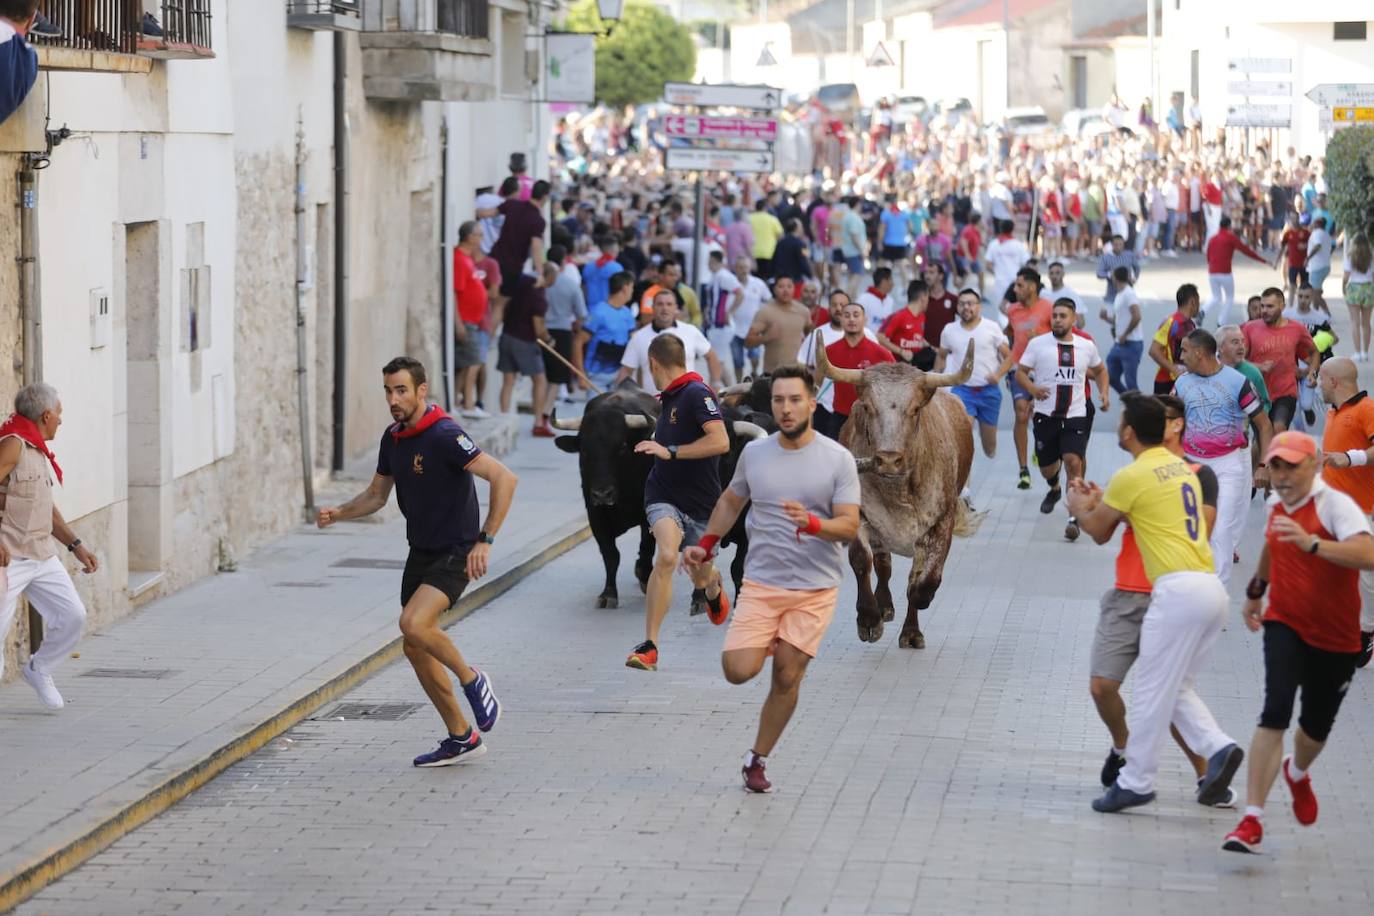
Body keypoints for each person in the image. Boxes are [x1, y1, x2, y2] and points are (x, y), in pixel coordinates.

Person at [317, 357, 517, 766]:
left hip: (456, 551)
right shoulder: (393, 439)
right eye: (388, 391)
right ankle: (461, 736)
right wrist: (339, 512)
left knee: (413, 624)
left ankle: (473, 679)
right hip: (421, 551)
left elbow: (504, 478)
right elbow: (376, 496)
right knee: (415, 645)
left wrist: (486, 541)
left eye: (401, 390)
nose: (393, 399)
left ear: (421, 391)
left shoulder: (445, 434)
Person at [683, 366, 861, 793]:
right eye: (779, 400)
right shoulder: (756, 454)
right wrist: (706, 545)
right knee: (737, 670)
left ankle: (757, 759)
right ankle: (734, 605)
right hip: (762, 583)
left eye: (794, 399)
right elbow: (731, 499)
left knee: (785, 675)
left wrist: (815, 524)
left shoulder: (837, 459)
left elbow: (850, 526)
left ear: (812, 404)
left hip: (814, 588)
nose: (785, 408)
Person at [1067, 393, 1243, 814]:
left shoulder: (1135, 473)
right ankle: (1218, 749)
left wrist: (1077, 508)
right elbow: (1147, 508)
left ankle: (1136, 782)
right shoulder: (1180, 469)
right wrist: (1105, 499)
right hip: (1209, 589)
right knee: (1175, 687)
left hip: (1176, 591)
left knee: (1151, 692)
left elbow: (1097, 529)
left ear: (1127, 431)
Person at [1223, 431, 1374, 853]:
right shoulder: (1276, 503)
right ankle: (1251, 820)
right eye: (1275, 465)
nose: (1283, 474)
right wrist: (1256, 591)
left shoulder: (1337, 507)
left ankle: (1298, 772)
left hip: (1337, 637)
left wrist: (1313, 544)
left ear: (1315, 466)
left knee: (1314, 731)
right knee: (1274, 711)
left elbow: (1368, 555)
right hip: (1284, 622)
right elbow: (1275, 542)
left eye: (1291, 465)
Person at [624, 334, 731, 671]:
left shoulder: (697, 394)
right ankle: (649, 646)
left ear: (652, 363)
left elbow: (721, 441)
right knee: (667, 556)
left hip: (702, 504)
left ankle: (713, 584)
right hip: (663, 495)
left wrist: (668, 451)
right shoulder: (669, 398)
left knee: (699, 579)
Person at [0, 384, 96, 710]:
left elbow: (44, 508)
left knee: (73, 615)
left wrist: (76, 545)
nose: (60, 421)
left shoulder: (38, 450)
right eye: (59, 414)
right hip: (8, 557)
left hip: (42, 554)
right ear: (45, 415)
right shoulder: (13, 445)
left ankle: (39, 669)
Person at [1173, 329, 1273, 585]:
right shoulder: (1182, 383)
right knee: (1191, 528)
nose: (1180, 355)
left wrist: (1263, 465)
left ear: (1199, 353)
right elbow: (1167, 421)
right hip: (1191, 464)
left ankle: (1216, 591)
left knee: (1221, 530)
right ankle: (1192, 583)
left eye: (1184, 350)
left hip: (1228, 466)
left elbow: (1263, 424)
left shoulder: (1237, 382)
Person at [1014, 298, 1109, 540]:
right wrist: (1034, 390)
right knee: (1047, 468)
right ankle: (1054, 487)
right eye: (1054, 315)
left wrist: (1104, 392)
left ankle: (1073, 518)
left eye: (1062, 316)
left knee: (1073, 461)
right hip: (1046, 416)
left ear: (1073, 319)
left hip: (1076, 414)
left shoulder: (1085, 345)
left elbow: (1100, 370)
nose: (1057, 319)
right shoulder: (1037, 344)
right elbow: (1020, 373)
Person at [1316, 357, 1374, 668]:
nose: (1317, 384)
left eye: (1321, 379)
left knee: (1365, 575)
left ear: (1335, 382)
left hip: (1361, 509)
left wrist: (1350, 458)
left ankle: (1366, 631)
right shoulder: (1332, 411)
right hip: (1331, 506)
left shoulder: (1367, 409)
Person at [938, 288, 1013, 458]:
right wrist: (936, 380)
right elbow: (941, 357)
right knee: (962, 439)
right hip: (962, 391)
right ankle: (965, 484)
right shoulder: (949, 330)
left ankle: (986, 441)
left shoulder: (991, 327)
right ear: (957, 307)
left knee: (989, 449)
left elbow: (1009, 357)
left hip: (988, 392)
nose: (966, 307)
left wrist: (998, 376)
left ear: (979, 307)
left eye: (970, 303)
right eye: (962, 303)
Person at [797, 290, 877, 439]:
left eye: (843, 305)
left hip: (863, 409)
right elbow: (803, 364)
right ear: (828, 309)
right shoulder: (818, 334)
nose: (838, 309)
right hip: (825, 406)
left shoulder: (869, 336)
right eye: (834, 305)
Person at [617, 289, 721, 396]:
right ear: (652, 307)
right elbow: (626, 370)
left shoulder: (691, 331)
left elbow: (711, 356)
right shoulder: (639, 337)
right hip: (655, 407)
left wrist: (715, 383)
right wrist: (619, 395)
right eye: (660, 304)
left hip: (688, 402)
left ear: (676, 308)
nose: (664, 308)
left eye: (669, 304)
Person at [1243, 287, 1318, 433]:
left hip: (1286, 392)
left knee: (1278, 429)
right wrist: (1259, 366)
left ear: (1282, 306)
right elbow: (1237, 360)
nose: (1264, 310)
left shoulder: (1296, 329)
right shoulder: (1249, 328)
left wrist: (1311, 373)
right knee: (1262, 440)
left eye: (1270, 306)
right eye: (1262, 306)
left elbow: (1314, 352)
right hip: (1257, 394)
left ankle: (1279, 454)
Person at [1006, 268, 1053, 490]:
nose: (1015, 290)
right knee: (1021, 411)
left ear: (1032, 287)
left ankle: (1039, 449)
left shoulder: (1048, 308)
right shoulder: (1012, 310)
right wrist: (1007, 352)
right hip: (1020, 369)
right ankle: (1023, 469)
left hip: (1044, 370)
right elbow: (1009, 332)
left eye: (1020, 285)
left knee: (1040, 416)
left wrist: (1042, 339)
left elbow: (1061, 336)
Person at [497, 264, 554, 436]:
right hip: (525, 341)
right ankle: (538, 422)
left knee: (508, 380)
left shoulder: (521, 284)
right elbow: (538, 328)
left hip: (506, 335)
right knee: (540, 380)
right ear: (548, 277)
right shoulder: (539, 296)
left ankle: (504, 418)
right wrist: (549, 339)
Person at [824, 302, 896, 430]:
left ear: (865, 319)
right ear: (840, 319)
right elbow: (817, 382)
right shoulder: (829, 351)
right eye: (846, 315)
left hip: (870, 417)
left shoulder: (881, 353)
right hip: (839, 417)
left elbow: (896, 380)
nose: (851, 319)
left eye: (856, 315)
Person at [540, 245, 588, 414]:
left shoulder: (539, 282)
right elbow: (581, 313)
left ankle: (541, 409)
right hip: (562, 332)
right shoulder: (570, 284)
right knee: (557, 377)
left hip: (540, 330)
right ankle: (545, 410)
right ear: (562, 262)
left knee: (542, 373)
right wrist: (577, 327)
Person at [453, 221, 492, 419]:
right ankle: (468, 403)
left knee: (466, 364)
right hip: (466, 321)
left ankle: (457, 401)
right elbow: (454, 292)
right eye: (479, 234)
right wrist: (458, 322)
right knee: (474, 362)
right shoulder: (459, 259)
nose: (481, 238)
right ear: (469, 237)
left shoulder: (468, 259)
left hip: (473, 321)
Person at [1203, 216, 1267, 327]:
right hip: (1225, 272)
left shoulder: (1213, 238)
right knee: (1229, 297)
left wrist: (1212, 267)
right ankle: (1221, 321)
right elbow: (1246, 250)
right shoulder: (1230, 238)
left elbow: (1208, 255)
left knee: (1215, 296)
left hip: (1212, 272)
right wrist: (1263, 261)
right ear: (1229, 226)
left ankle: (1203, 311)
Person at [491, 179, 549, 297]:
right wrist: (540, 273)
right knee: (500, 306)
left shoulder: (512, 204)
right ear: (545, 197)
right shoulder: (538, 221)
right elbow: (536, 249)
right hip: (511, 268)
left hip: (494, 259)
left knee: (491, 301)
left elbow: (485, 213)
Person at [580, 271, 637, 391]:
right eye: (632, 287)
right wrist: (581, 375)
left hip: (619, 377)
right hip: (596, 378)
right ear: (625, 288)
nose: (633, 291)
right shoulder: (598, 312)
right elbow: (578, 342)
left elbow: (634, 343)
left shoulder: (627, 313)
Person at [745, 276, 813, 374]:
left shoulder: (803, 311)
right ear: (774, 290)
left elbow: (810, 336)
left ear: (794, 289)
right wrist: (765, 337)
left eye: (789, 286)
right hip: (772, 373)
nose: (785, 290)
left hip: (797, 372)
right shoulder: (765, 311)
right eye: (781, 286)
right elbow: (747, 343)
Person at [1147, 284, 1201, 396]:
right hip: (1166, 382)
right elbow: (1153, 350)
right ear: (1192, 302)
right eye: (1198, 302)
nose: (1199, 306)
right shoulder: (1171, 322)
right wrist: (1174, 370)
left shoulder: (1191, 325)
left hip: (1185, 381)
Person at [1100, 266, 1143, 394]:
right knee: (1111, 377)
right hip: (1120, 343)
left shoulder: (1129, 294)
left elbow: (1137, 316)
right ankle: (1129, 401)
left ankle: (1139, 408)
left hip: (1131, 343)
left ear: (1115, 278)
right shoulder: (1120, 294)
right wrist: (1106, 318)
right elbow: (1119, 321)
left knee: (1131, 383)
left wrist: (1125, 334)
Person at [878, 279, 935, 371]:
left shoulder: (922, 317)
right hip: (898, 369)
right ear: (923, 297)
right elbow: (880, 337)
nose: (929, 301)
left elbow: (916, 336)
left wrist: (931, 347)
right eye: (928, 297)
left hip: (914, 368)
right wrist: (901, 351)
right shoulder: (898, 316)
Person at [1341, 232, 1374, 362]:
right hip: (1368, 289)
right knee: (1366, 323)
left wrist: (1343, 288)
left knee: (1355, 322)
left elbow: (1346, 276)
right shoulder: (1371, 258)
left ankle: (1357, 353)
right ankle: (1365, 352)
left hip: (1354, 288)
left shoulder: (1350, 257)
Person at [922, 262, 960, 357]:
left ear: (941, 276)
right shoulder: (921, 299)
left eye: (931, 272)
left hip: (947, 353)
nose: (927, 276)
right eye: (926, 273)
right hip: (925, 351)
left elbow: (967, 321)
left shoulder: (953, 299)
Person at [1095, 234, 1139, 316]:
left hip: (1127, 293)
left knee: (1126, 319)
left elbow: (1137, 267)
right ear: (1112, 245)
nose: (1118, 247)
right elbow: (1099, 273)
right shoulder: (1106, 257)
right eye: (1116, 245)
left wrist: (1134, 278)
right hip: (1111, 295)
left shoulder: (1129, 255)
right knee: (1111, 321)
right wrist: (1110, 274)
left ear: (1123, 245)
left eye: (1120, 245)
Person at [1273, 212, 1309, 309]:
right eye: (1292, 218)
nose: (1294, 220)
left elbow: (1313, 245)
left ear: (1298, 219)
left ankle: (1303, 306)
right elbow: (1281, 248)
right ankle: (1291, 306)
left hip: (1304, 264)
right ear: (1289, 219)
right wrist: (1276, 262)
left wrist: (1306, 247)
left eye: (1296, 218)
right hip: (1292, 264)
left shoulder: (1305, 232)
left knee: (1304, 287)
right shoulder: (1288, 233)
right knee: (1292, 285)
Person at [581, 234, 624, 309]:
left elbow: (584, 288)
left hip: (590, 308)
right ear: (613, 250)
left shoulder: (588, 266)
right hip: (609, 308)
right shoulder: (617, 268)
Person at [748, 199, 784, 279]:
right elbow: (780, 235)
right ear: (765, 208)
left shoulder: (749, 219)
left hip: (753, 252)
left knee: (755, 278)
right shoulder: (772, 219)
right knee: (767, 277)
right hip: (769, 252)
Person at [771, 218, 813, 285]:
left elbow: (773, 260)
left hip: (780, 280)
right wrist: (810, 275)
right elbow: (805, 260)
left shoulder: (780, 243)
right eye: (801, 226)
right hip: (796, 281)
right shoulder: (802, 244)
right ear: (797, 228)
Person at [856, 267, 897, 332]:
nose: (893, 284)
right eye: (891, 280)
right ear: (884, 281)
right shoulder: (863, 299)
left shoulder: (890, 301)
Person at [1305, 216, 1333, 310]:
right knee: (1317, 292)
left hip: (1317, 267)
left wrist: (1308, 258)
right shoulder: (1326, 234)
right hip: (1325, 265)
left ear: (1317, 224)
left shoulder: (1317, 234)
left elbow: (1318, 245)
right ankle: (1315, 311)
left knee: (1314, 293)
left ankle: (1327, 313)